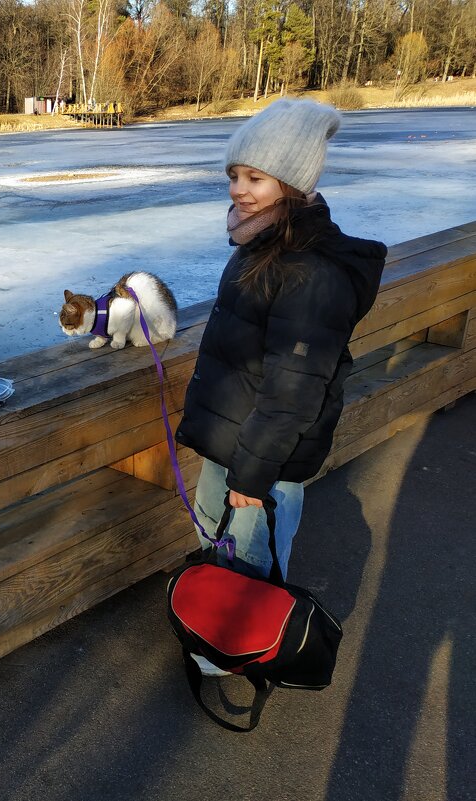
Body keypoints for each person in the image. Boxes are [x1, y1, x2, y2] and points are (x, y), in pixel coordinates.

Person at [174, 99, 387, 673]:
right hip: (235, 442)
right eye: (235, 176)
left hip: (262, 457)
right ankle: (213, 636)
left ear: (292, 183)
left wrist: (253, 472)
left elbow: (293, 389)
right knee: (220, 551)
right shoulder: (262, 245)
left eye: (256, 178)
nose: (239, 190)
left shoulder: (310, 272)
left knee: (251, 560)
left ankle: (239, 653)